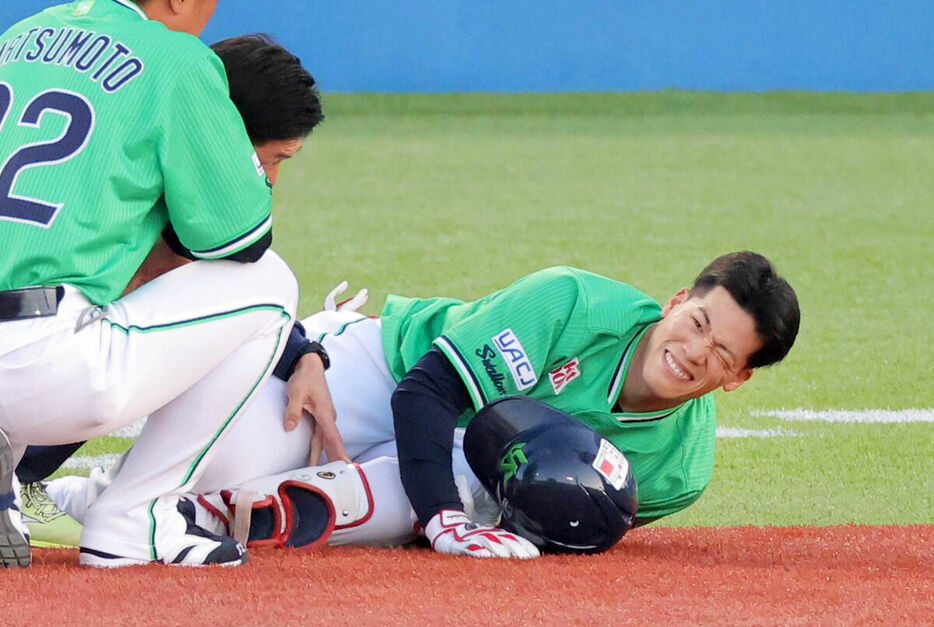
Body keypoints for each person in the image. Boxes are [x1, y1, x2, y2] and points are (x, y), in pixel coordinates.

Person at [44, 252, 800, 558]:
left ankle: (211, 513)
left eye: (722, 354)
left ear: (737, 379)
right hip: (386, 369)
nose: (695, 350)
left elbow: (561, 520)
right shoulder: (572, 301)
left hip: (462, 461)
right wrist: (440, 519)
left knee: (478, 493)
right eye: (698, 322)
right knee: (219, 462)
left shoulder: (678, 471)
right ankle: (79, 491)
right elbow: (428, 390)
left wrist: (451, 514)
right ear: (676, 300)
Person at [0, 1, 322, 569]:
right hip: (38, 364)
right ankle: (132, 517)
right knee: (270, 283)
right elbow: (242, 239)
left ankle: (10, 480)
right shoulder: (177, 58)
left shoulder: (22, 33)